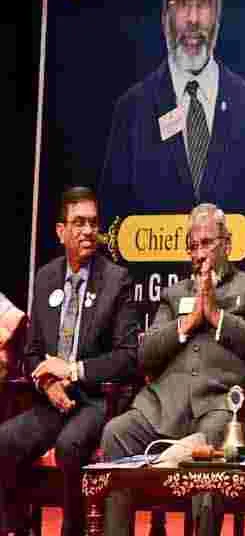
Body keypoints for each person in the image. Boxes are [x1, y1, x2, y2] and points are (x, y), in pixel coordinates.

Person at [100, 203, 245, 536]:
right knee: (116, 432)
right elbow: (145, 355)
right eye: (193, 246)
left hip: (219, 408)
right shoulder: (174, 295)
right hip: (162, 408)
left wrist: (217, 317)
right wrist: (189, 321)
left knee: (211, 445)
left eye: (207, 243)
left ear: (227, 244)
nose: (199, 254)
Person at [100, 0, 245, 221]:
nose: (194, 19)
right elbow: (112, 223)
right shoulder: (131, 110)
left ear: (218, 12)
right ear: (165, 14)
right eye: (183, 2)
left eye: (204, 2)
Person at [0, 187, 136, 536]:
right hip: (53, 400)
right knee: (5, 440)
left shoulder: (116, 281)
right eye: (79, 223)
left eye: (93, 223)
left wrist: (74, 371)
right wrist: (47, 382)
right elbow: (32, 351)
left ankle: (72, 531)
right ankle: (16, 528)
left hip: (96, 400)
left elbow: (127, 357)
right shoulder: (46, 277)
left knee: (69, 445)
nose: (88, 231)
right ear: (61, 231)